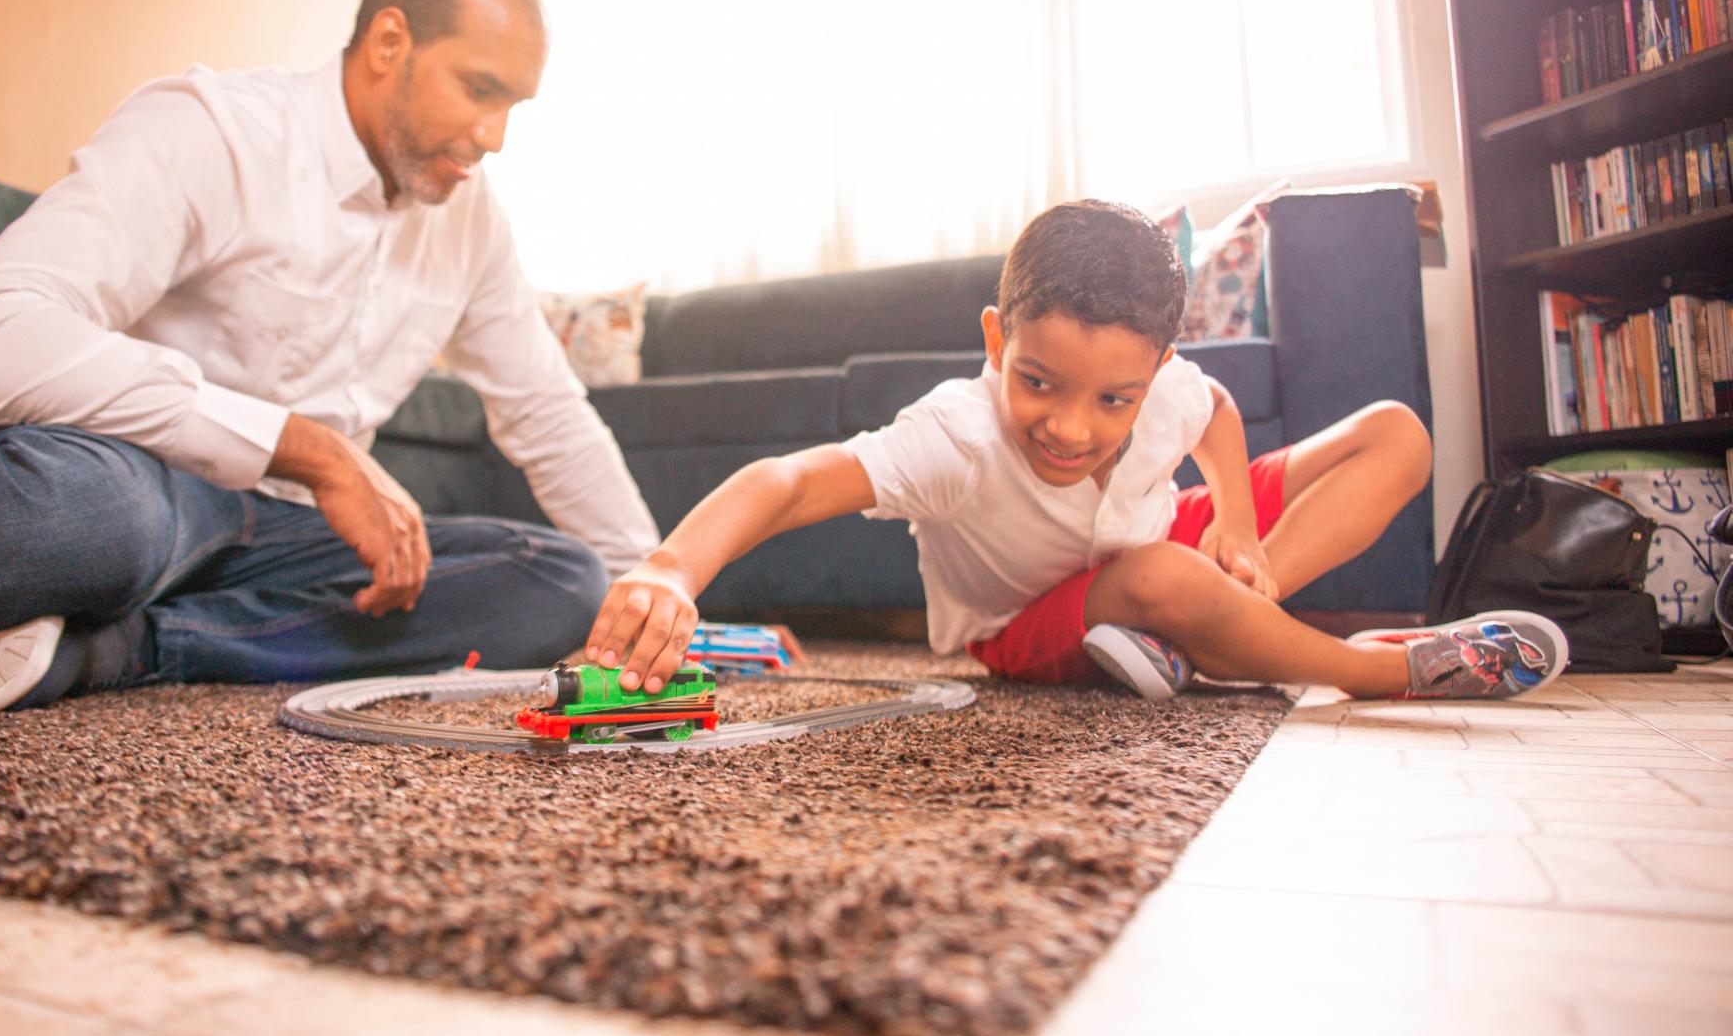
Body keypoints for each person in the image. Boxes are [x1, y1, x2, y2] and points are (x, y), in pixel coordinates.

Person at [0, 0, 659, 713]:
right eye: (479, 89)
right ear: (389, 42)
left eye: (513, 107)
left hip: (290, 541)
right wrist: (305, 447)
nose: (494, 137)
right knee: (82, 526)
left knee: (562, 582)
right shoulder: (214, 130)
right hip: (130, 490)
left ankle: (117, 648)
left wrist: (659, 587)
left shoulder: (471, 219)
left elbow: (547, 410)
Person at [580, 200, 1567, 703]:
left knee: (1392, 433)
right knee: (1165, 578)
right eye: (1036, 382)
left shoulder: (1171, 386)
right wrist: (671, 566)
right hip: (1027, 621)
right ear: (993, 344)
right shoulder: (956, 437)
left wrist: (1233, 520)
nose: (1070, 427)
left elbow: (1215, 410)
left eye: (1113, 399)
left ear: (1153, 368)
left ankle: (1220, 624)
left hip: (1157, 543)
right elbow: (787, 483)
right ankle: (1368, 673)